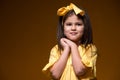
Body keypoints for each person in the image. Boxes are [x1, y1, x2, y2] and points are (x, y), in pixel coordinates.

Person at [42, 3, 98, 80]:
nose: (73, 28)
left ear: (85, 28)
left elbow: (79, 70)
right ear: (63, 28)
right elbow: (55, 74)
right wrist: (67, 49)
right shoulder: (56, 50)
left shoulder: (90, 48)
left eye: (78, 24)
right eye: (69, 24)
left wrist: (73, 46)